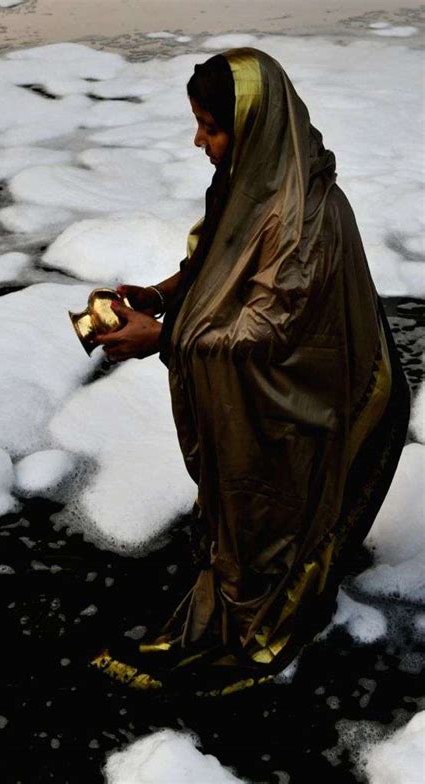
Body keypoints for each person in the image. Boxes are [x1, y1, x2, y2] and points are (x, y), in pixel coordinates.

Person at [94, 48, 410, 696]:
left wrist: (164, 335)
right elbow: (219, 264)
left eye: (210, 124)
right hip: (280, 395)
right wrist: (161, 296)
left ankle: (257, 639)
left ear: (253, 126)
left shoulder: (306, 218)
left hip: (323, 403)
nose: (198, 139)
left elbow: (268, 329)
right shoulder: (254, 185)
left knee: (282, 522)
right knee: (248, 512)